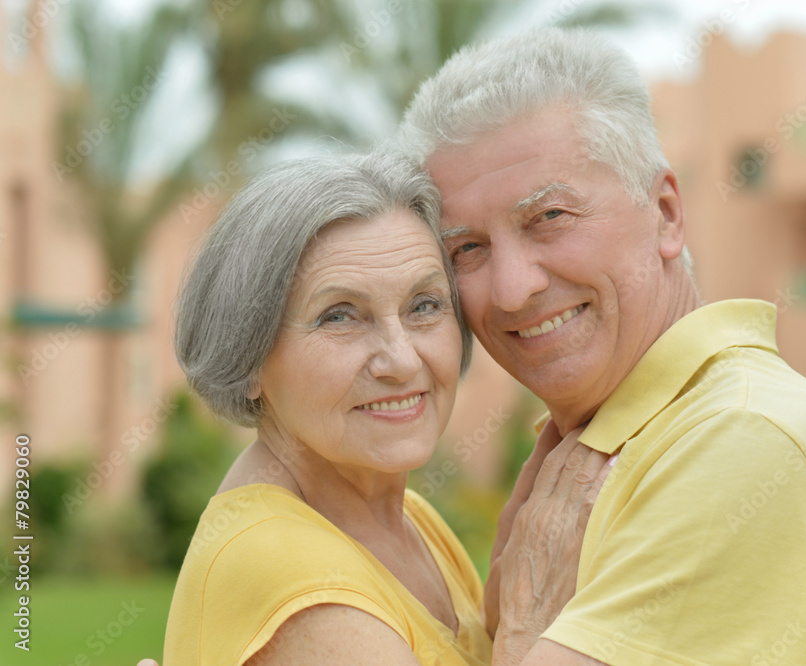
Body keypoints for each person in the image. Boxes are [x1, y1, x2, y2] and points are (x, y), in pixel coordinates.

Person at [398, 27, 806, 665]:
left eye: (550, 217)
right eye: (466, 248)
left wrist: (525, 629)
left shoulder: (745, 438)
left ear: (665, 213)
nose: (510, 290)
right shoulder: (607, 445)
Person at [157, 150, 610, 665]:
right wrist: (532, 627)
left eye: (424, 305)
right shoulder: (296, 579)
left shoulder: (411, 520)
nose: (400, 359)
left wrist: (504, 614)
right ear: (251, 355)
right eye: (340, 317)